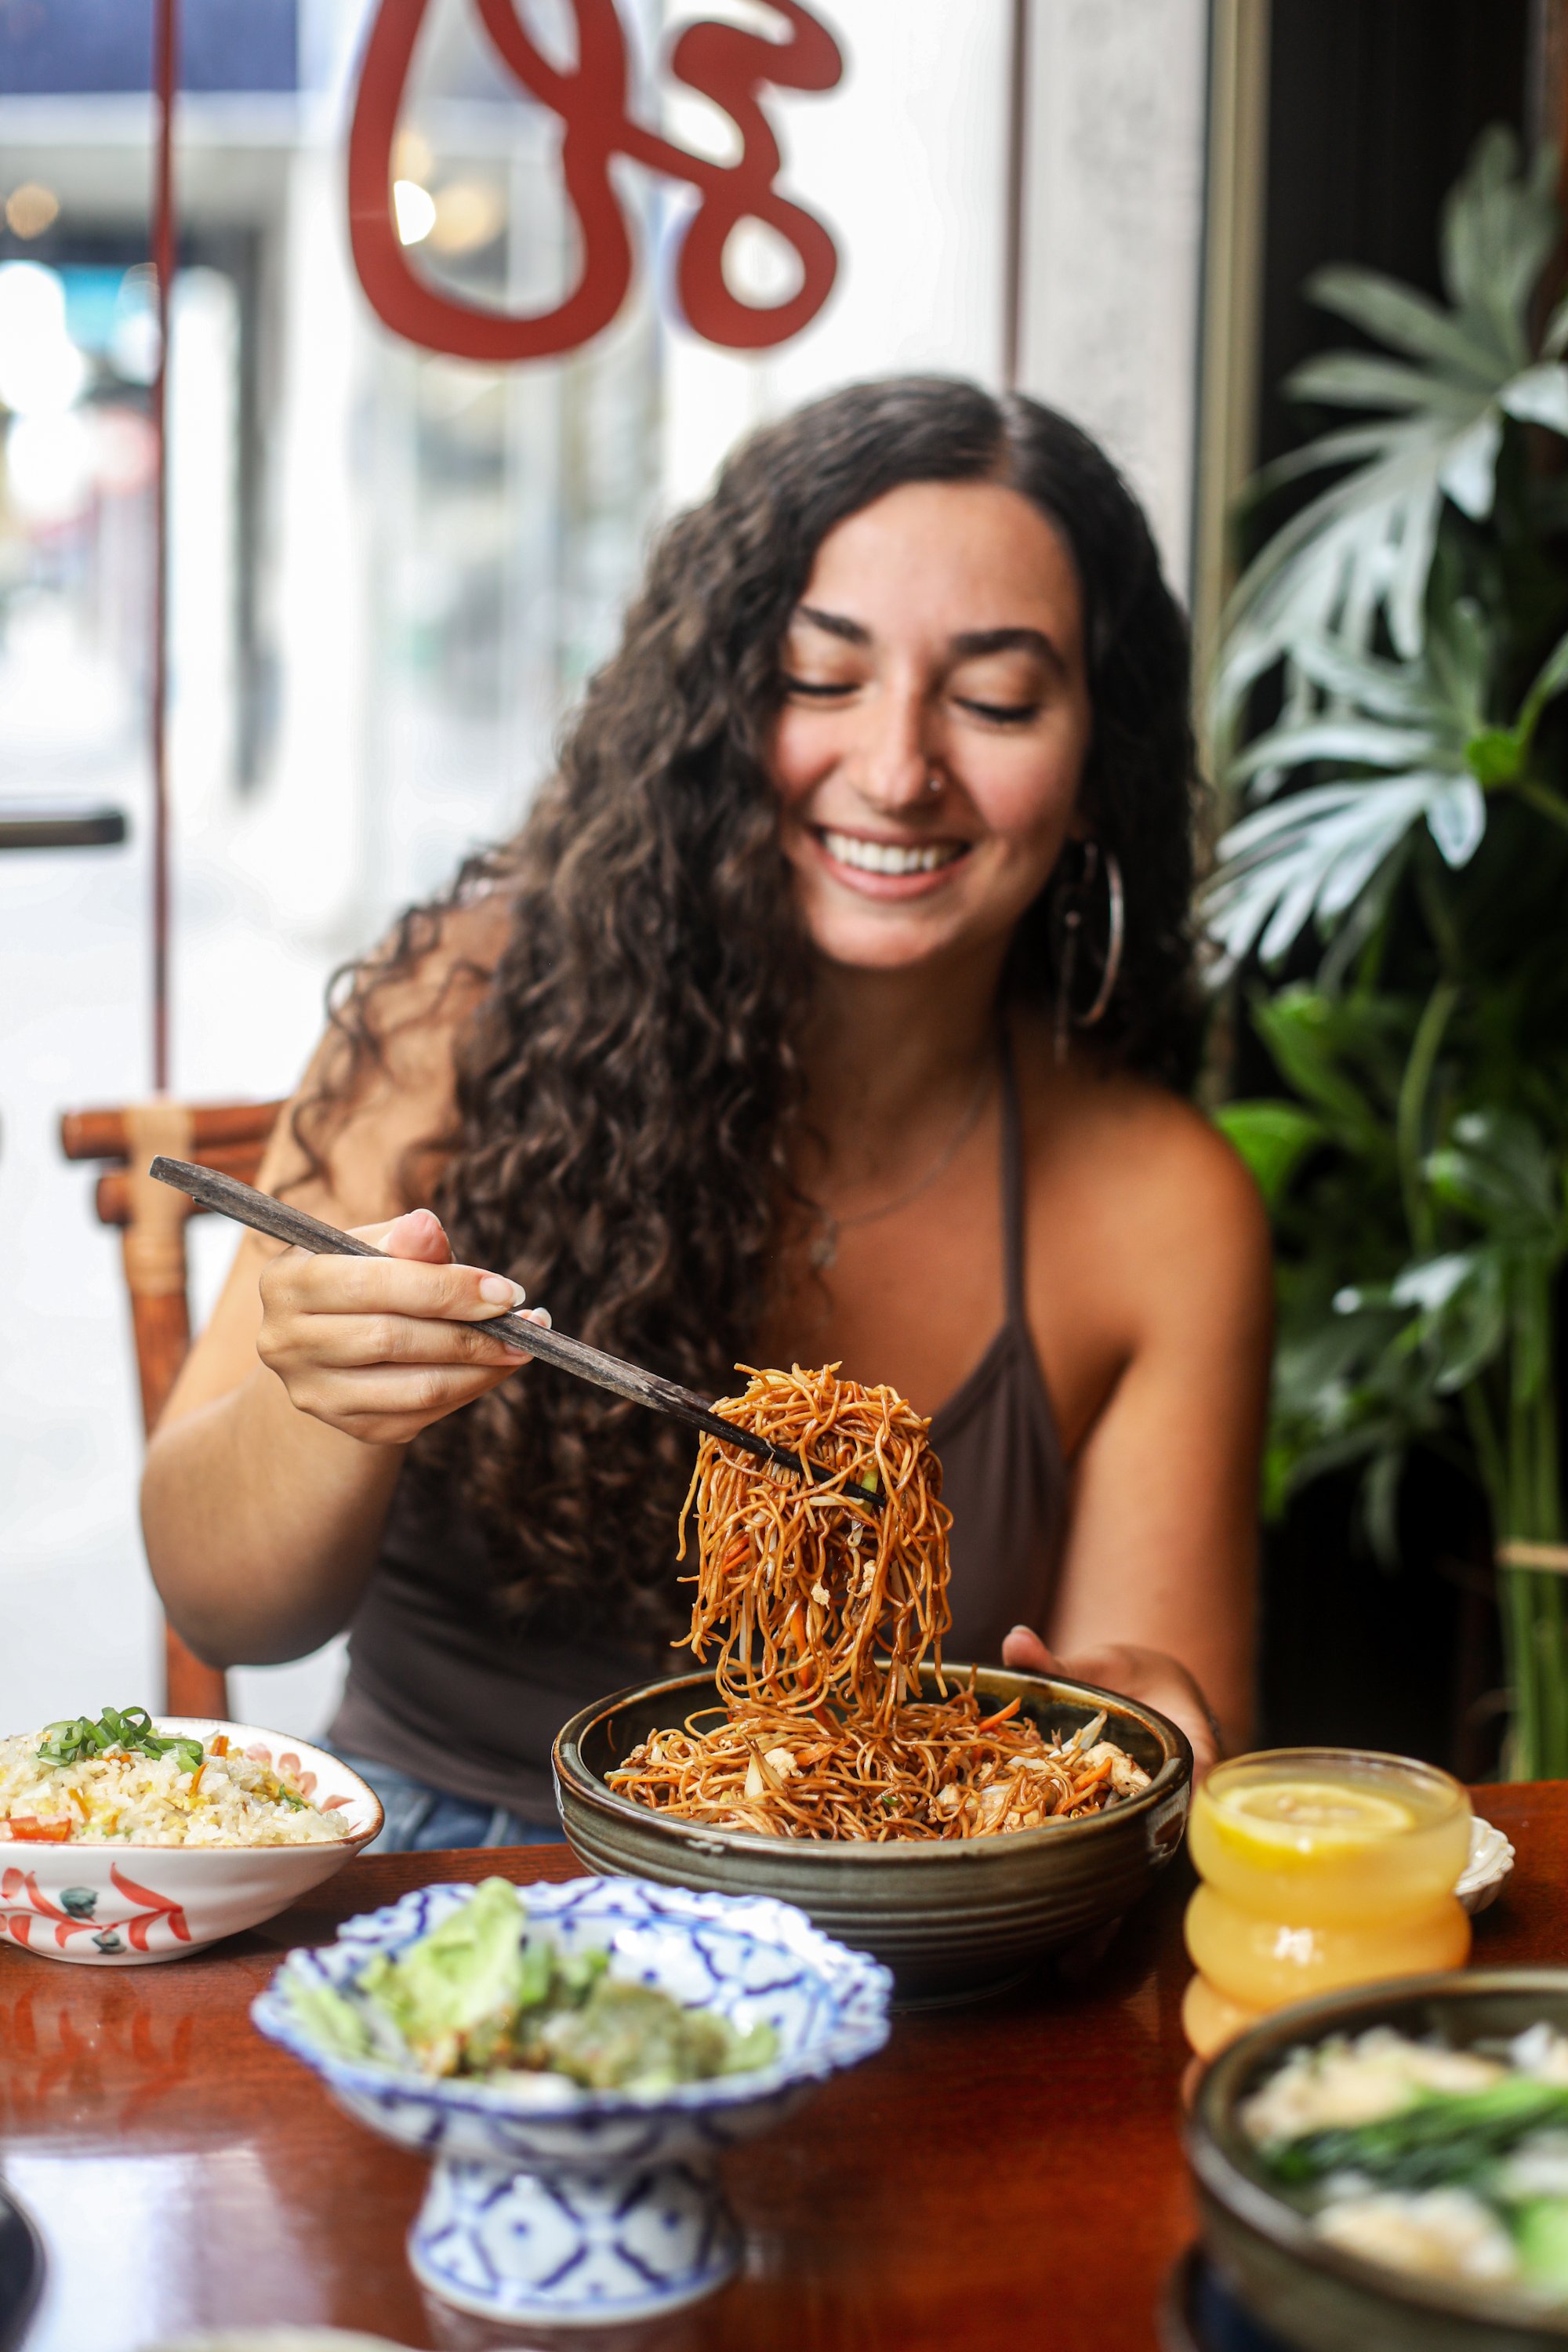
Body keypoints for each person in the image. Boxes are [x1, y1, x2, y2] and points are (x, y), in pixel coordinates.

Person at [142, 376, 1272, 1850]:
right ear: (713, 702)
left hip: (898, 1910)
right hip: (430, 1892)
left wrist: (1144, 1733)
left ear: (1097, 761)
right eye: (820, 677)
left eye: (995, 698)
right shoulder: (461, 1020)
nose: (898, 769)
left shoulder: (1161, 1206)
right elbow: (221, 1599)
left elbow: (1156, 1739)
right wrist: (319, 1406)